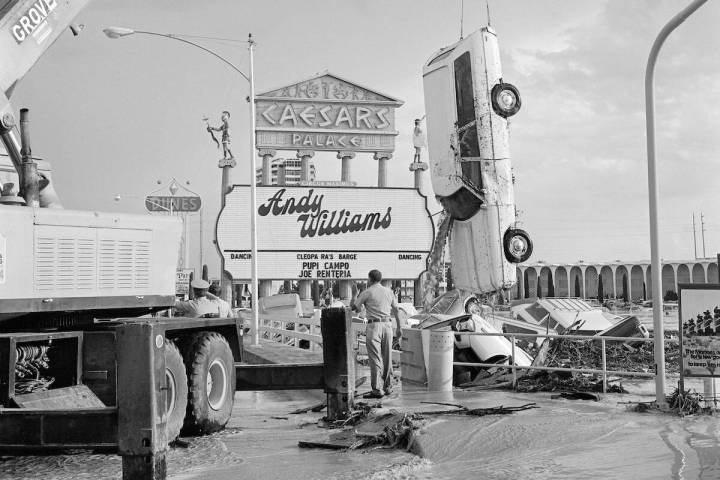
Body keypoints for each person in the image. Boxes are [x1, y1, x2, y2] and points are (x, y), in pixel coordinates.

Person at [352, 269, 401, 398]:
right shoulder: (389, 292)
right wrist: (399, 328)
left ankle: (377, 389)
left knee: (375, 359)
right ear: (380, 279)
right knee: (387, 357)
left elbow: (354, 308)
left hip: (374, 326)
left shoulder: (367, 292)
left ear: (370, 279)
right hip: (388, 325)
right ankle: (388, 387)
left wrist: (354, 295)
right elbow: (396, 310)